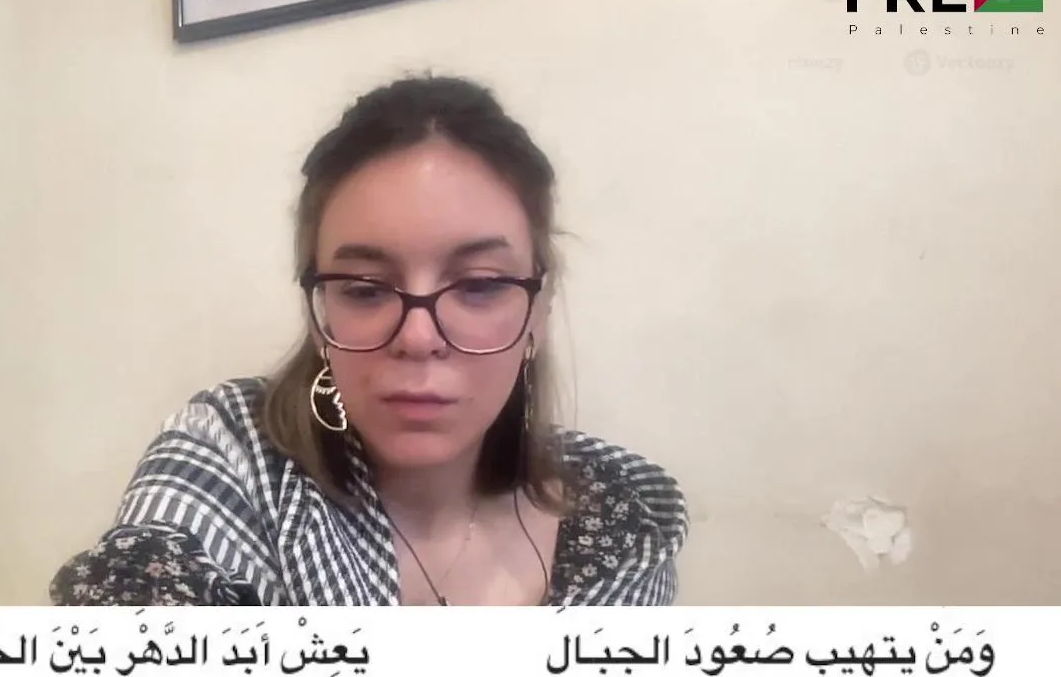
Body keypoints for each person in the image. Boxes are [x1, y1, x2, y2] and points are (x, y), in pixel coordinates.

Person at [49, 76, 689, 607]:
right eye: (363, 288)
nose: (418, 337)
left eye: (479, 285)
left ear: (538, 313)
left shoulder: (619, 515)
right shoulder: (231, 454)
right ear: (320, 314)